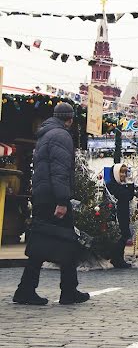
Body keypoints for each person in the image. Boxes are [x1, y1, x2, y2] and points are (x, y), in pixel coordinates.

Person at [13, 102, 89, 305]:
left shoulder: (46, 134)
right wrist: (62, 201)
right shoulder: (61, 136)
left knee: (43, 243)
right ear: (70, 119)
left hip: (43, 195)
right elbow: (59, 170)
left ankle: (28, 289)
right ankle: (67, 291)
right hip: (53, 198)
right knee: (67, 241)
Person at [106, 163, 137, 268]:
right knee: (120, 235)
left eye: (125, 172)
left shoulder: (122, 185)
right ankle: (117, 259)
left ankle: (119, 258)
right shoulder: (111, 185)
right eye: (121, 172)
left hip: (123, 213)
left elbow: (129, 197)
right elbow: (123, 196)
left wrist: (130, 184)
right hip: (116, 215)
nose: (123, 175)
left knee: (124, 234)